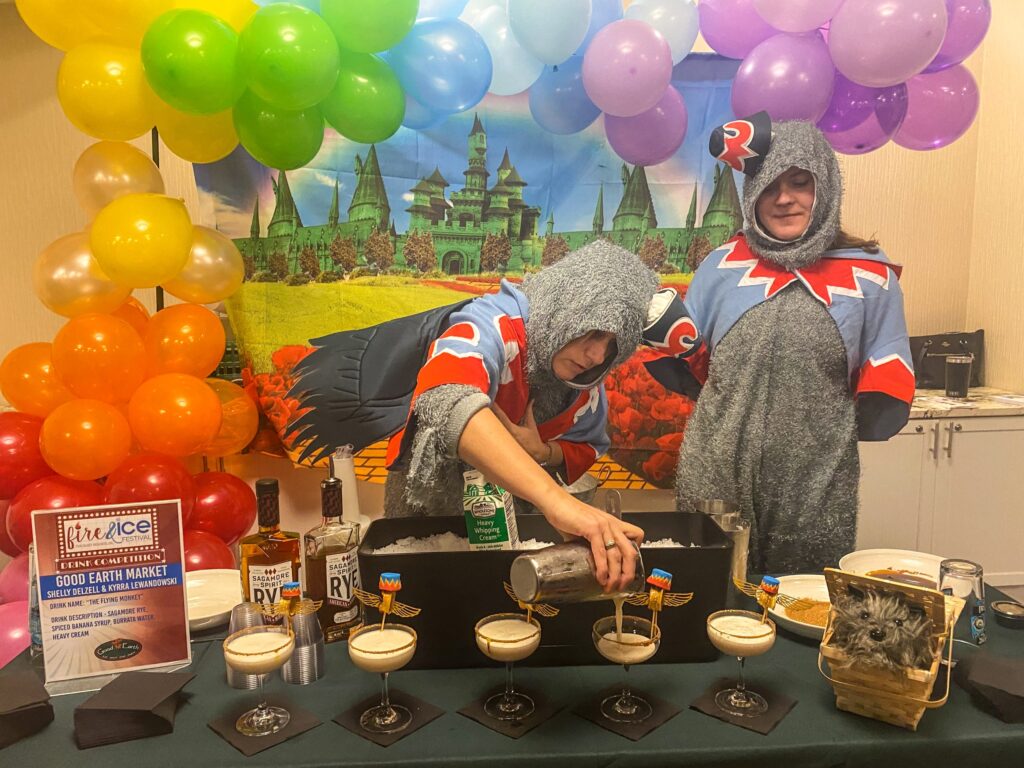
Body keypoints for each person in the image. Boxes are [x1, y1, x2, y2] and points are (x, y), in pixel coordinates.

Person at [289, 240, 659, 590]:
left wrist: (543, 453)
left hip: (516, 524)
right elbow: (446, 394)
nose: (596, 355)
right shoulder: (495, 321)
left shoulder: (587, 374)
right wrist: (559, 503)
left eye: (612, 345)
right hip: (431, 519)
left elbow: (589, 441)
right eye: (592, 332)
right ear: (567, 307)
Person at [644, 113, 914, 574]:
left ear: (824, 187)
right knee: (709, 597)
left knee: (800, 605)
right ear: (752, 194)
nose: (784, 198)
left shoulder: (869, 276)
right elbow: (690, 362)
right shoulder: (722, 266)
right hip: (716, 470)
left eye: (799, 182)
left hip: (815, 483)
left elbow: (887, 371)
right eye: (769, 185)